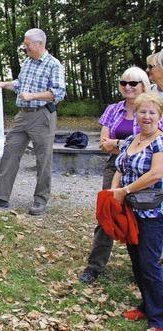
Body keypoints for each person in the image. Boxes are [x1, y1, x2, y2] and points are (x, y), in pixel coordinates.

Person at [0, 28, 66, 215]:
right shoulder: (28, 62)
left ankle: (40, 200)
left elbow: (58, 93)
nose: (25, 48)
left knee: (43, 159)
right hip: (22, 116)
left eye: (27, 45)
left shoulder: (53, 64)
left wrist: (33, 96)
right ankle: (0, 196)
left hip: (42, 115)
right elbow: (20, 84)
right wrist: (4, 84)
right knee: (10, 151)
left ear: (39, 44)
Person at [79, 67, 155, 284]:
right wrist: (127, 145)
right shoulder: (113, 109)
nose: (128, 87)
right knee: (107, 214)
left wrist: (120, 143)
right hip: (115, 166)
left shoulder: (151, 110)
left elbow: (154, 141)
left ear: (143, 85)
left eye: (133, 83)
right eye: (124, 83)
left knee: (142, 217)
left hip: (144, 168)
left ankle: (143, 269)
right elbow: (104, 144)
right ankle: (94, 266)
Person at [109, 92, 163, 329]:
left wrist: (126, 191)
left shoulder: (160, 142)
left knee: (150, 264)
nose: (147, 116)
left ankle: (159, 318)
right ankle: (147, 306)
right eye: (143, 112)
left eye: (152, 112)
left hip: (153, 212)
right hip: (130, 210)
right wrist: (113, 193)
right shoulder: (132, 139)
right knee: (137, 262)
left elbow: (155, 174)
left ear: (159, 116)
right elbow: (119, 166)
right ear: (136, 115)